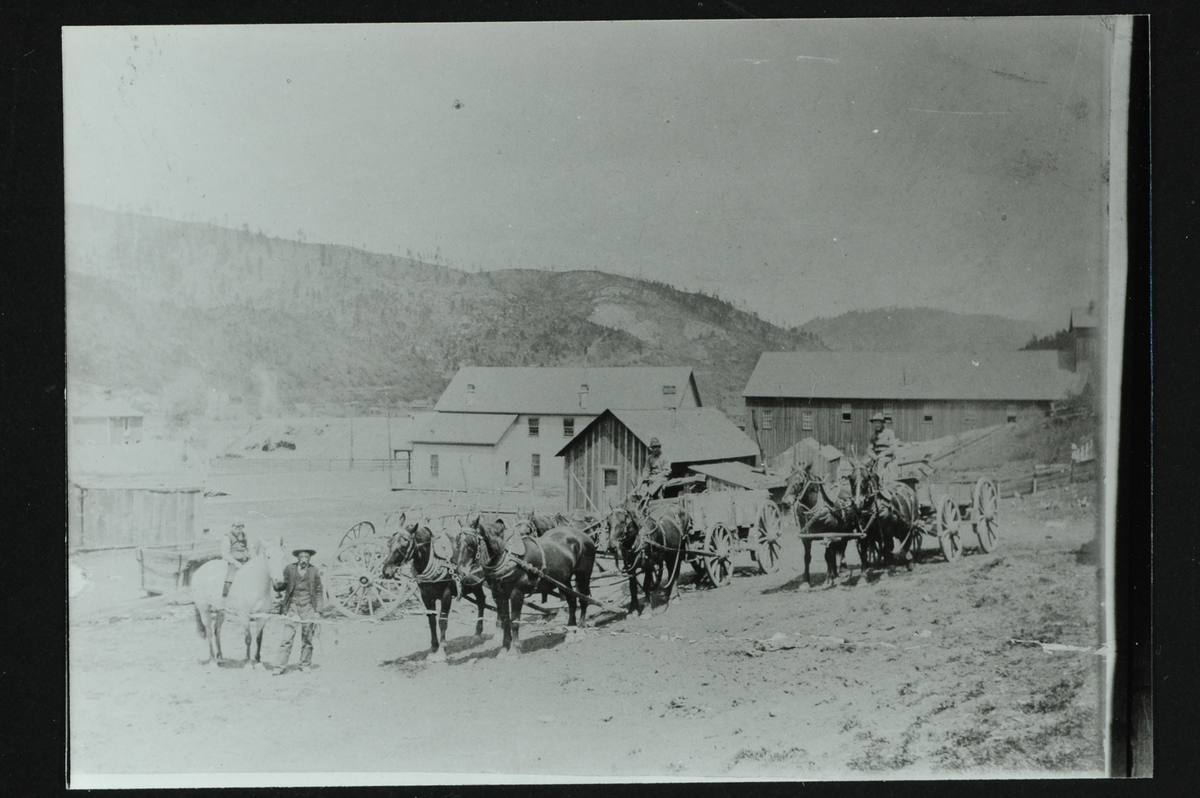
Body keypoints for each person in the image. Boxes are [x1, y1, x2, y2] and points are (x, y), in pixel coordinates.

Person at [273, 546, 323, 675]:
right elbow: (283, 585)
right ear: (297, 558)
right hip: (292, 607)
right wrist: (276, 585)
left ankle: (305, 664)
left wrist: (318, 611)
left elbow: (318, 591)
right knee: (287, 638)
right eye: (301, 557)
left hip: (308, 608)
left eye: (306, 557)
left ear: (310, 558)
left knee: (307, 639)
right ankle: (279, 666)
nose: (304, 559)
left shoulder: (314, 571)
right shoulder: (289, 569)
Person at [632, 437, 671, 505]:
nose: (654, 449)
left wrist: (656, 476)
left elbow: (667, 471)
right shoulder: (649, 458)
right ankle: (640, 496)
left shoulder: (665, 457)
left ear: (659, 447)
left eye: (656, 447)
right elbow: (646, 469)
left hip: (662, 477)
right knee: (640, 479)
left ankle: (650, 495)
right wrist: (645, 476)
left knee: (657, 482)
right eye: (653, 448)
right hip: (651, 477)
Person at [221, 521, 253, 598]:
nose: (238, 530)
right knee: (230, 577)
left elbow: (251, 550)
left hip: (246, 561)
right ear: (232, 527)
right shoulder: (227, 537)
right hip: (233, 562)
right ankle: (225, 595)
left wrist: (252, 559)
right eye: (236, 528)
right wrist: (235, 563)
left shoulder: (245, 536)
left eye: (240, 528)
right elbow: (225, 554)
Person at [866, 413, 899, 481]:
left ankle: (878, 481)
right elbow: (869, 449)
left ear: (882, 423)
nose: (876, 425)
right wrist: (874, 456)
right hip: (876, 458)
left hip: (887, 457)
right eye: (875, 423)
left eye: (878, 423)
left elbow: (893, 447)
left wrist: (883, 454)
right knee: (864, 464)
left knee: (881, 462)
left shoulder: (889, 433)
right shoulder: (873, 436)